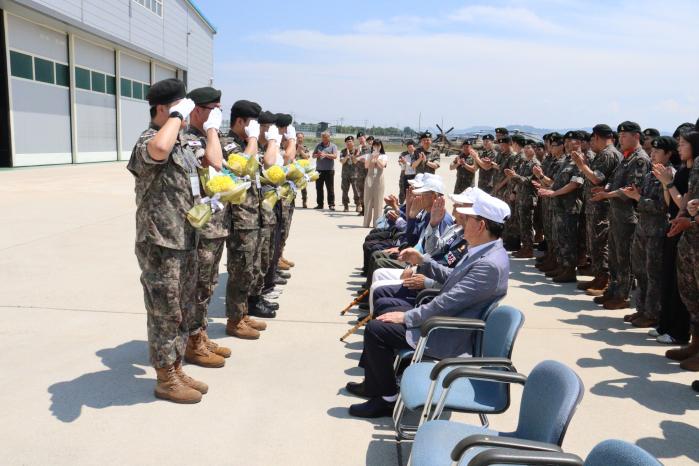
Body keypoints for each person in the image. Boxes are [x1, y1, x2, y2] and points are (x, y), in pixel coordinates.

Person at [344, 190, 511, 418]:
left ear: (481, 226)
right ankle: (375, 384)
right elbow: (453, 277)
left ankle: (385, 399)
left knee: (377, 329)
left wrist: (407, 317)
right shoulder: (486, 251)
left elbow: (448, 302)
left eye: (468, 218)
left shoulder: (488, 264)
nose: (462, 221)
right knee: (385, 310)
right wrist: (423, 260)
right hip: (447, 320)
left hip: (448, 332)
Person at [127, 78, 205, 404]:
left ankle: (176, 366)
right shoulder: (148, 140)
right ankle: (165, 377)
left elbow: (198, 177)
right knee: (163, 311)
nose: (185, 117)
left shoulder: (181, 142)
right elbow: (158, 151)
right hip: (159, 240)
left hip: (185, 237)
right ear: (162, 108)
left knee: (181, 309)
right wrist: (175, 117)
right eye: (179, 109)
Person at [180, 86, 230, 368]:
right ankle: (192, 341)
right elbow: (213, 161)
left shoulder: (206, 136)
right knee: (198, 285)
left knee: (208, 283)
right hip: (199, 226)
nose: (218, 115)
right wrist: (212, 131)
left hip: (212, 221)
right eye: (214, 109)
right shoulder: (190, 138)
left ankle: (199, 335)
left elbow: (222, 168)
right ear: (197, 110)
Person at [219, 100, 269, 340]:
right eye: (253, 124)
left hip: (253, 215)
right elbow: (238, 168)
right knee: (239, 270)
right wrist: (252, 141)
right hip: (239, 218)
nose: (256, 130)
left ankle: (242, 313)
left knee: (249, 269)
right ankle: (234, 321)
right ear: (240, 122)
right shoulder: (227, 143)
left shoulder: (245, 144)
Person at [591, 121, 650, 310]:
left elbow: (631, 189)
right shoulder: (627, 157)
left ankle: (622, 295)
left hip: (628, 216)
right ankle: (613, 291)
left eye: (625, 136)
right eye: (620, 136)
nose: (621, 139)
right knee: (615, 256)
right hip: (616, 214)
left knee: (624, 257)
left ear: (636, 136)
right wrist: (606, 189)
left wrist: (607, 194)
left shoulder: (640, 159)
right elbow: (614, 181)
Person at [573, 124, 622, 295]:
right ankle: (598, 276)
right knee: (594, 242)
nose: (592, 142)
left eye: (593, 139)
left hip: (602, 207)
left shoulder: (608, 154)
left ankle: (604, 279)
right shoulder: (604, 154)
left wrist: (581, 165)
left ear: (598, 137)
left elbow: (595, 178)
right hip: (595, 205)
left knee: (600, 243)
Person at [664, 131, 699, 370]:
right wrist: (682, 217)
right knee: (692, 296)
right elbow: (690, 196)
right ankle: (696, 344)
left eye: (683, 144)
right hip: (691, 239)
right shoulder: (695, 167)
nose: (679, 148)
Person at [538, 131, 585, 282]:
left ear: (580, 143)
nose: (568, 144)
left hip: (570, 206)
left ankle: (569, 270)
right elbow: (556, 182)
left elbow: (575, 183)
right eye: (566, 142)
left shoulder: (581, 161)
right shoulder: (567, 160)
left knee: (569, 239)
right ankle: (562, 266)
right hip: (559, 205)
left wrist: (554, 193)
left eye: (572, 141)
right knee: (561, 238)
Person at [508, 139, 541, 258]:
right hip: (521, 197)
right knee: (522, 224)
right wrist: (514, 192)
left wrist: (515, 176)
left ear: (534, 149)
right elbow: (519, 181)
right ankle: (524, 247)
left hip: (529, 197)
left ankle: (528, 249)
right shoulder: (525, 163)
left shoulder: (535, 164)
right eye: (525, 147)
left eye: (529, 148)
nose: (526, 150)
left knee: (527, 224)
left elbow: (529, 181)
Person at [363, 139, 388, 227]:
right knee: (368, 201)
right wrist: (372, 157)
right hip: (369, 178)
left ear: (381, 146)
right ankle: (366, 223)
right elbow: (367, 166)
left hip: (379, 179)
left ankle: (376, 224)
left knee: (378, 202)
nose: (376, 147)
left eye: (378, 145)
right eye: (375, 145)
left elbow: (382, 166)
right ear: (372, 146)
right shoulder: (368, 155)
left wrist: (376, 158)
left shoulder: (384, 156)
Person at [313, 131, 339, 210]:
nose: (324, 138)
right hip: (319, 170)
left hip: (329, 170)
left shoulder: (333, 146)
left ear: (329, 137)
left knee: (330, 188)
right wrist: (318, 155)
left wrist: (325, 155)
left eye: (326, 137)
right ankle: (320, 204)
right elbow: (313, 155)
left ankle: (331, 204)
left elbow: (335, 156)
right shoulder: (318, 145)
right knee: (319, 188)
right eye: (323, 137)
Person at [340, 135, 360, 212]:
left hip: (355, 174)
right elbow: (342, 161)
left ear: (353, 142)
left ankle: (358, 205)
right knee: (345, 191)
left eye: (350, 141)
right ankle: (345, 206)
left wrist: (352, 156)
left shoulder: (357, 151)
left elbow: (356, 161)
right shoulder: (343, 151)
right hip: (345, 175)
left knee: (356, 191)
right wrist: (346, 156)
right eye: (347, 142)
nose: (349, 143)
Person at [295, 132, 310, 208]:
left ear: (303, 138)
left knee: (303, 187)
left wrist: (301, 151)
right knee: (292, 186)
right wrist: (297, 150)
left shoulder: (305, 147)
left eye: (301, 138)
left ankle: (304, 201)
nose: (300, 139)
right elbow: (292, 157)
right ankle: (292, 202)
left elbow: (307, 157)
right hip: (293, 170)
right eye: (298, 137)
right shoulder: (292, 146)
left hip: (302, 170)